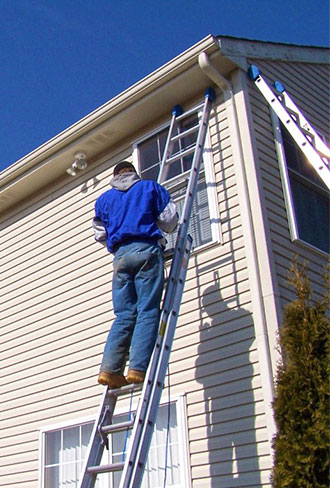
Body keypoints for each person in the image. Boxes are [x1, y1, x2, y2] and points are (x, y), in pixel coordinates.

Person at [93, 161, 178, 388]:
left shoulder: (103, 200)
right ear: (134, 173)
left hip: (120, 257)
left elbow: (100, 234)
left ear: (115, 175)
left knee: (124, 315)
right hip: (146, 249)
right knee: (147, 310)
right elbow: (169, 221)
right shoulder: (149, 188)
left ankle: (109, 370)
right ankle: (137, 369)